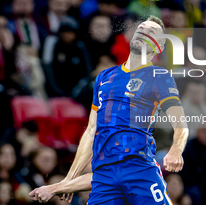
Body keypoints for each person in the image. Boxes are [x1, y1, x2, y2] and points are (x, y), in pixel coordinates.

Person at [29, 15, 189, 204]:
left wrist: (176, 150)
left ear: (159, 47)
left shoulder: (159, 76)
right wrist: (69, 179)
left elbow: (181, 125)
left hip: (139, 168)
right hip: (104, 174)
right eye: (141, 28)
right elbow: (91, 131)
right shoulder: (105, 77)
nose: (143, 32)